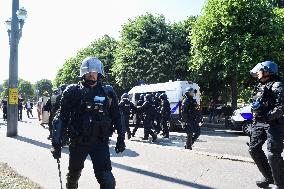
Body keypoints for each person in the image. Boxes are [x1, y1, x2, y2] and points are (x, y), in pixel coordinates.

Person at [51, 57, 125, 189]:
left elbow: (117, 115)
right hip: (78, 142)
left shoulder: (107, 92)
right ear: (83, 73)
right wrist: (56, 143)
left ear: (99, 73)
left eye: (95, 71)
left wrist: (121, 137)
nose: (92, 73)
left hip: (100, 142)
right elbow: (62, 117)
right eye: (89, 71)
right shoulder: (72, 91)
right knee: (73, 176)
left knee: (108, 180)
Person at [249, 61, 284, 189]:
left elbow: (281, 107)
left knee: (273, 154)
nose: (257, 73)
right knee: (253, 149)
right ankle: (269, 177)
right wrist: (255, 121)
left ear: (267, 71)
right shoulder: (259, 86)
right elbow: (256, 106)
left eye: (260, 71)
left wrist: (267, 116)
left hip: (274, 123)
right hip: (259, 122)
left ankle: (280, 183)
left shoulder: (277, 85)